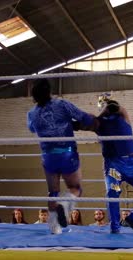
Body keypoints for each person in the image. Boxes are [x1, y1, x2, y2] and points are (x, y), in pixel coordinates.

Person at [74, 94, 133, 234]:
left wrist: (100, 115)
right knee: (112, 192)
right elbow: (81, 124)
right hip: (114, 164)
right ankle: (115, 227)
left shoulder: (122, 114)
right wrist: (68, 123)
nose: (107, 107)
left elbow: (115, 107)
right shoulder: (97, 123)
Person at [27, 79, 94, 234]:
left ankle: (54, 227)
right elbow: (84, 118)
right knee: (75, 188)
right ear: (49, 91)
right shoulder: (61, 104)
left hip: (48, 156)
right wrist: (91, 121)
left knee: (53, 192)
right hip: (67, 152)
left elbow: (31, 128)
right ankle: (65, 204)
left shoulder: (31, 113)